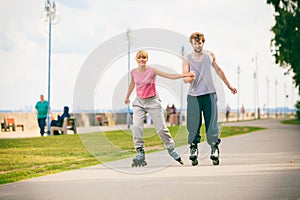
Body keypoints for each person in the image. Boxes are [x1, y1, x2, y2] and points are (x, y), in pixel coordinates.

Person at [124, 50, 195, 167]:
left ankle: (171, 149)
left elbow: (170, 76)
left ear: (147, 59)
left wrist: (185, 75)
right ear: (136, 60)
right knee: (136, 126)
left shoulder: (152, 71)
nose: (142, 60)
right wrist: (127, 97)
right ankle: (140, 151)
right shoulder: (133, 72)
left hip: (153, 101)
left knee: (161, 128)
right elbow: (132, 85)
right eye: (140, 58)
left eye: (144, 58)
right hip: (139, 102)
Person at [182, 32, 237, 166]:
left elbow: (219, 70)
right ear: (192, 44)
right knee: (193, 124)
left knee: (211, 123)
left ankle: (214, 148)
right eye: (195, 43)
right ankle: (193, 148)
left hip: (209, 94)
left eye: (200, 43)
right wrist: (190, 77)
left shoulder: (210, 55)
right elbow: (184, 78)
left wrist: (229, 85)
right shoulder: (187, 58)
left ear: (203, 43)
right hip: (194, 96)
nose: (198, 45)